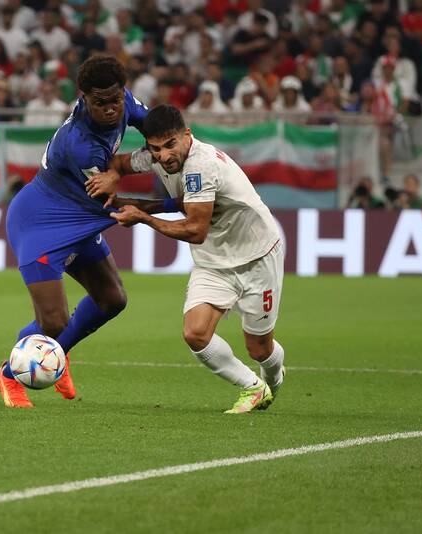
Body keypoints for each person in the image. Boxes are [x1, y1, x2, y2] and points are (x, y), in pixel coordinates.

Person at [86, 105, 285, 414]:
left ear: (186, 135)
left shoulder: (201, 165)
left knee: (259, 349)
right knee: (195, 333)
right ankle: (252, 387)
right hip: (214, 261)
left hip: (257, 257)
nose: (164, 155)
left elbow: (195, 230)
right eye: (156, 148)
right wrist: (113, 176)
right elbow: (120, 163)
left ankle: (274, 377)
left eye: (170, 145)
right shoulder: (154, 157)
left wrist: (142, 216)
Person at [0, 55, 149, 409]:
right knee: (54, 321)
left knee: (112, 299)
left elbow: (157, 128)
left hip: (78, 215)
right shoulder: (81, 144)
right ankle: (9, 374)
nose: (111, 109)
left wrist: (182, 146)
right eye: (100, 102)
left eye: (115, 100)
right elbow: (111, 199)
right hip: (41, 221)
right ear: (84, 98)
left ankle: (55, 356)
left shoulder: (123, 100)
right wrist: (178, 204)